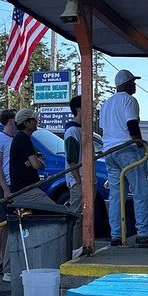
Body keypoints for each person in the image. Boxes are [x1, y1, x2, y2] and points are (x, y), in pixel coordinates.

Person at [99, 69, 148, 246]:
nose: (135, 86)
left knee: (117, 195)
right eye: (133, 82)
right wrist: (140, 143)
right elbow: (132, 123)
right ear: (125, 84)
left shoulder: (106, 104)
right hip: (126, 149)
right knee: (142, 192)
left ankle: (116, 235)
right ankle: (143, 232)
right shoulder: (129, 100)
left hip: (109, 152)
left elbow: (102, 130)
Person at [0, 109, 16, 282]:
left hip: (14, 184)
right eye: (15, 118)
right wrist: (5, 188)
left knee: (8, 224)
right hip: (2, 186)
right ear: (9, 121)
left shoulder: (15, 139)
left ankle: (6, 258)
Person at [9, 109, 51, 205]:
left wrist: (34, 161)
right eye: (34, 119)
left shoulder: (25, 138)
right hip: (24, 190)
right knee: (55, 211)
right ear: (26, 123)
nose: (37, 122)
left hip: (29, 188)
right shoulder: (22, 139)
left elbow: (40, 164)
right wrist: (36, 161)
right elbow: (36, 165)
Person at [63, 96, 85, 257]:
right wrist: (79, 182)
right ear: (78, 109)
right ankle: (74, 248)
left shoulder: (81, 129)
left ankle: (82, 245)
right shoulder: (72, 131)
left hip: (85, 179)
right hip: (78, 181)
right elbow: (72, 160)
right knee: (77, 215)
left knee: (84, 215)